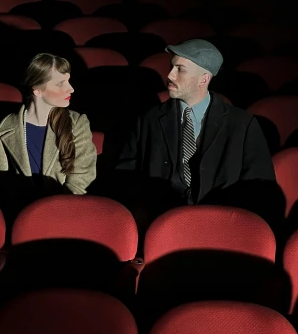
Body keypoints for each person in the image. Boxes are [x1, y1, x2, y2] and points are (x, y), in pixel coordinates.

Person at [113, 38, 279, 231]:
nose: (169, 75)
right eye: (171, 67)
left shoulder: (242, 124)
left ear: (204, 79)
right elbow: (125, 175)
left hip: (222, 227)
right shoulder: (148, 120)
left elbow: (261, 188)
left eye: (180, 69)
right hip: (161, 225)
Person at [0, 52, 97, 220]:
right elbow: (3, 187)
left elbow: (81, 177)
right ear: (37, 90)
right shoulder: (3, 129)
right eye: (60, 83)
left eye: (68, 81)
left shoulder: (77, 123)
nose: (71, 88)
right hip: (19, 217)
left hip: (66, 214)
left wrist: (57, 214)